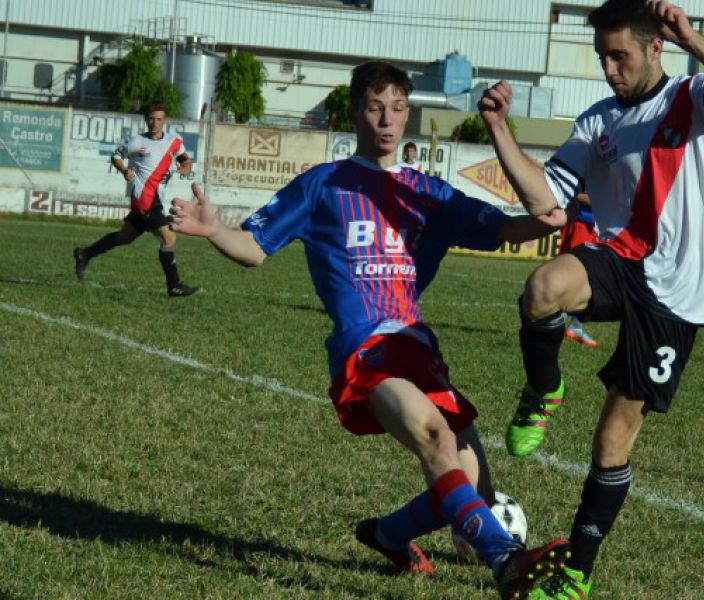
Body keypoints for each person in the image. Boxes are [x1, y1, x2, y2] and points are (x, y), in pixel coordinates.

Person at [169, 60, 571, 599]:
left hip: (417, 347)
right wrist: (215, 229)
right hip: (364, 349)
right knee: (434, 436)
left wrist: (551, 218)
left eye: (399, 109)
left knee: (468, 481)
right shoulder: (323, 185)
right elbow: (254, 250)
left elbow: (507, 227)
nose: (388, 120)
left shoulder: (426, 192)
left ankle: (385, 536)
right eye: (376, 107)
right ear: (356, 112)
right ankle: (506, 562)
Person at [478, 0, 704, 596]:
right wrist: (498, 130)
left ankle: (576, 577)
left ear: (655, 48)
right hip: (620, 259)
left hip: (676, 296)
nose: (609, 69)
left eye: (620, 56)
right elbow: (547, 200)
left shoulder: (694, 99)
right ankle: (543, 389)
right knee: (542, 288)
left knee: (612, 439)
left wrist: (692, 37)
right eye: (603, 58)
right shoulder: (597, 121)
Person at [73, 102, 198, 297]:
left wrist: (185, 168)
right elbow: (116, 155)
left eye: (158, 119)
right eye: (151, 118)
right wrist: (124, 170)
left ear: (164, 120)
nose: (154, 123)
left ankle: (85, 254)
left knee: (125, 237)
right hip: (144, 199)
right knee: (169, 237)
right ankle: (174, 286)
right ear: (145, 119)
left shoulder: (174, 142)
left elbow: (186, 160)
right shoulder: (136, 141)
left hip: (153, 198)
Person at [559, 194, 600, 348]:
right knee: (571, 274)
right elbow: (577, 193)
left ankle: (575, 323)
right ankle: (558, 323)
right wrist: (604, 201)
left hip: (591, 226)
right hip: (581, 224)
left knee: (588, 278)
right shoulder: (591, 170)